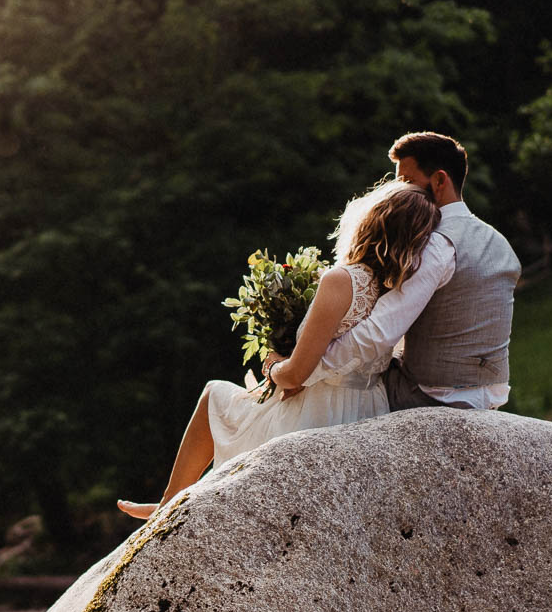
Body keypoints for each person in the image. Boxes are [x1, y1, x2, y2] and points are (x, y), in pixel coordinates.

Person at [116, 180, 440, 519]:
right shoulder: (404, 292)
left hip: (320, 413)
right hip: (370, 409)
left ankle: (170, 503)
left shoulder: (343, 280)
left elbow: (296, 375)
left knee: (215, 395)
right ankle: (179, 502)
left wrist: (272, 363)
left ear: (372, 221)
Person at [316, 131, 521, 411]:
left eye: (406, 182)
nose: (398, 192)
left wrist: (307, 368)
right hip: (491, 395)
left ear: (439, 181)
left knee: (349, 385)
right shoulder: (500, 242)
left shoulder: (435, 245)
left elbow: (379, 332)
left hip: (430, 396)